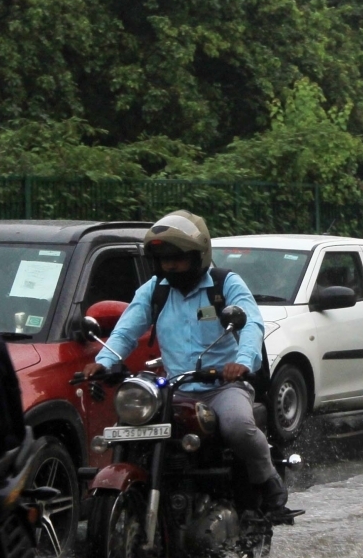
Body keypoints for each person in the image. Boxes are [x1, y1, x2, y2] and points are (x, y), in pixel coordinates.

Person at [95, 211, 293, 520]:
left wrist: (240, 364)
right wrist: (104, 362)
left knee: (238, 427)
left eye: (177, 258)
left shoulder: (224, 284)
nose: (169, 265)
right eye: (162, 259)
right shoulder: (154, 290)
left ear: (198, 256)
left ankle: (267, 481)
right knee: (130, 429)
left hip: (222, 387)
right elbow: (125, 331)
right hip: (176, 390)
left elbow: (251, 323)